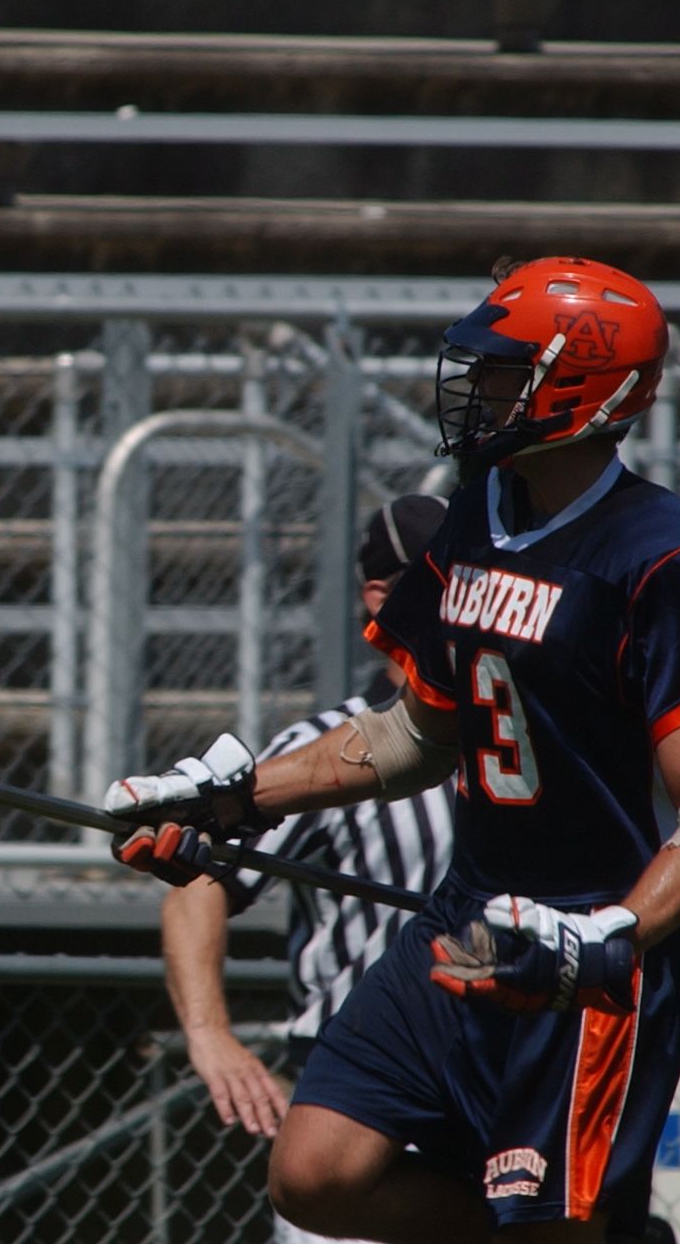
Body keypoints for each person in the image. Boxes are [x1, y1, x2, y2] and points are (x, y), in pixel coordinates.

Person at [107, 257, 680, 1244]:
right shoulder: (475, 513)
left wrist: (612, 933)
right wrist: (238, 796)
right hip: (463, 916)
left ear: (579, 386)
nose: (476, 391)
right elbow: (412, 733)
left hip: (582, 949)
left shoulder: (662, 556)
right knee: (313, 1175)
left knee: (547, 1225)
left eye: (504, 372)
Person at [152, 494, 456, 1244]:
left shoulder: (524, 739)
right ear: (381, 597)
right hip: (363, 1108)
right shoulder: (326, 747)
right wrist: (209, 1034)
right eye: (450, 579)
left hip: (498, 1091)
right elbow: (199, 880)